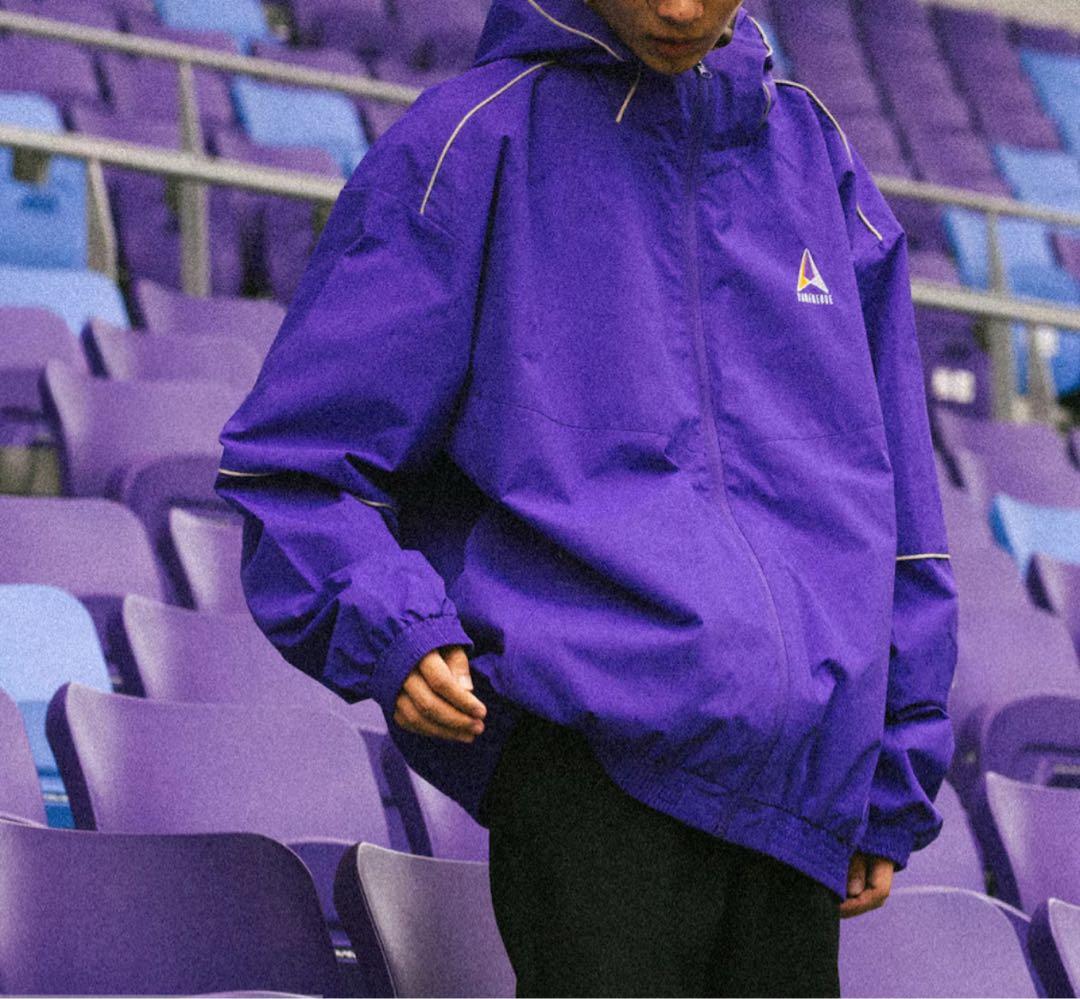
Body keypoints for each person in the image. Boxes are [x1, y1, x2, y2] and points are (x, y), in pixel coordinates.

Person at [214, 0, 959, 995]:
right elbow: (301, 462)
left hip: (798, 803)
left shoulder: (821, 165)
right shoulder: (468, 143)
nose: (681, 7)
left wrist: (893, 758)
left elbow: (900, 509)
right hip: (587, 766)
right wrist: (391, 623)